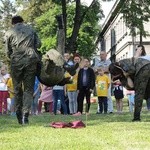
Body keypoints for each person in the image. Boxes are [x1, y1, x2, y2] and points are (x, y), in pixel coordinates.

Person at [5, 16, 41, 124]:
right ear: (22, 21)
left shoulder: (9, 32)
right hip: (31, 59)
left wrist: (13, 56)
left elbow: (7, 51)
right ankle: (26, 114)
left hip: (16, 60)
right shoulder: (31, 29)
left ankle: (18, 113)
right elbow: (39, 44)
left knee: (17, 88)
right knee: (29, 89)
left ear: (13, 23)